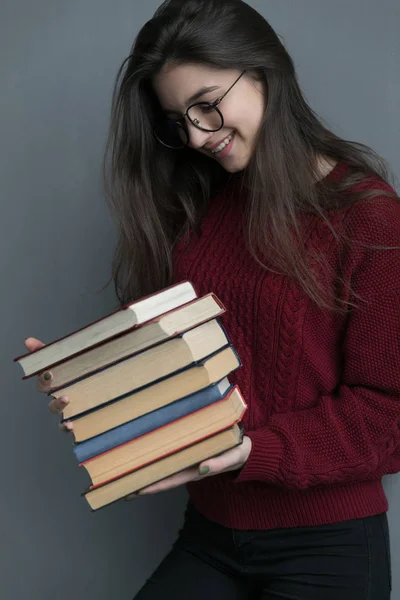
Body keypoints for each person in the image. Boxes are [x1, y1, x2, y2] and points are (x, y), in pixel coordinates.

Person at [25, 0, 400, 598]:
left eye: (207, 104)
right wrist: (97, 387)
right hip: (210, 531)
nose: (197, 135)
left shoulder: (368, 217)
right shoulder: (204, 208)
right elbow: (184, 366)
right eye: (179, 119)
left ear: (263, 73)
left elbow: (389, 414)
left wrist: (254, 450)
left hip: (325, 545)